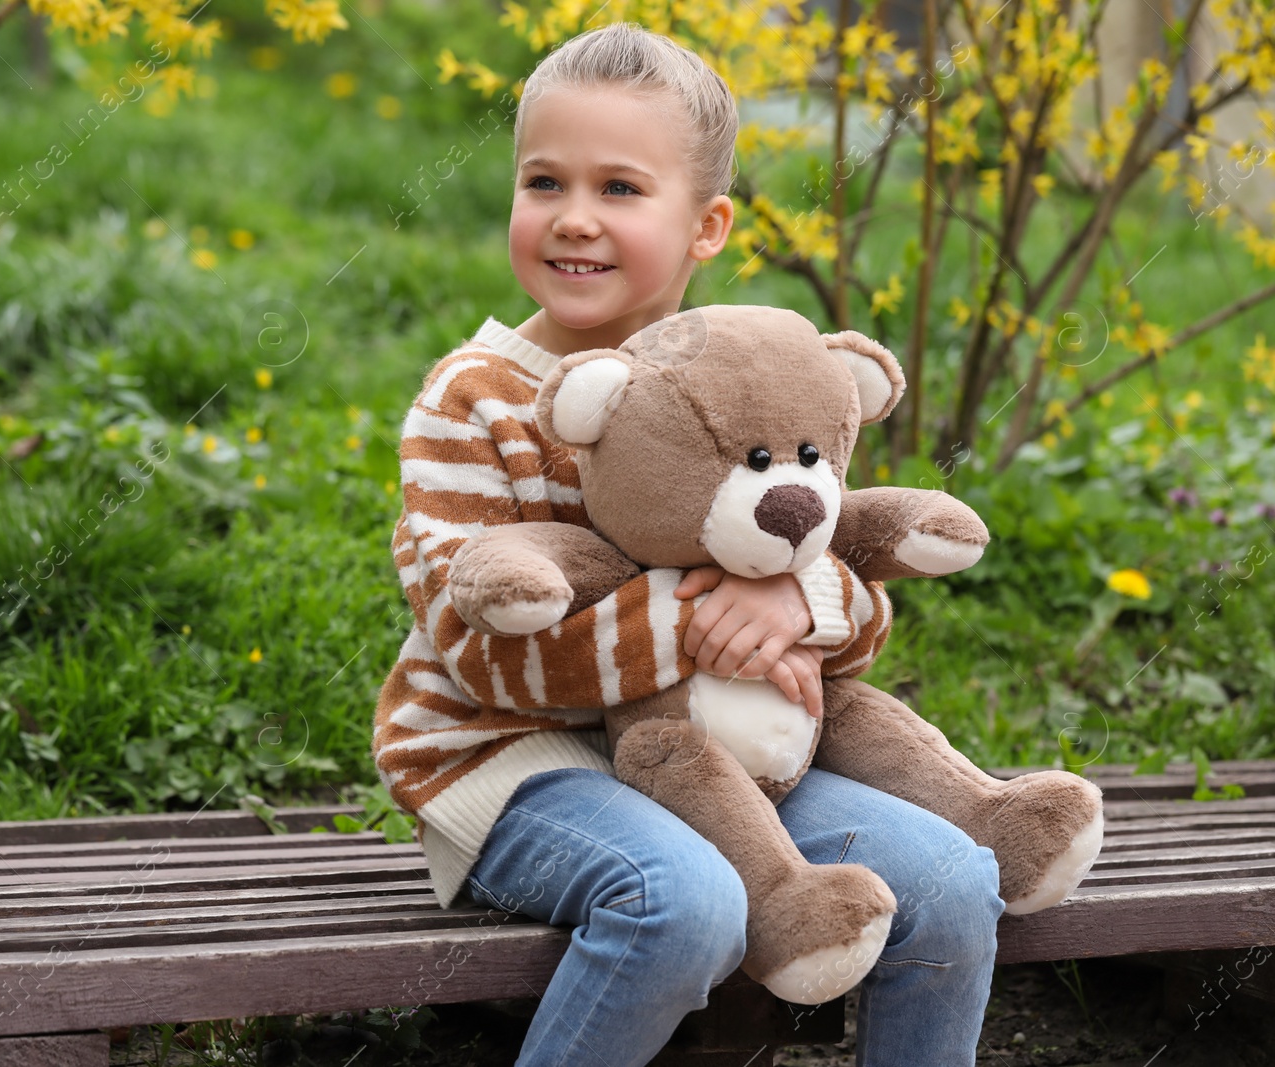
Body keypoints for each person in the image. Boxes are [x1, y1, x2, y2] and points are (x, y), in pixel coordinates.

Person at [372, 22, 1003, 1067]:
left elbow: (845, 591)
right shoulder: (471, 400)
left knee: (949, 880)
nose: (573, 219)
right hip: (514, 761)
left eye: (620, 188)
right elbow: (473, 642)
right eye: (543, 182)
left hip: (723, 755)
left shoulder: (742, 378)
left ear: (706, 224)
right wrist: (693, 625)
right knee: (686, 902)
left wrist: (803, 607)